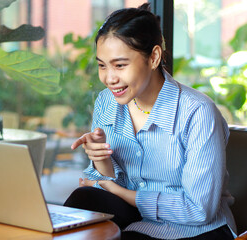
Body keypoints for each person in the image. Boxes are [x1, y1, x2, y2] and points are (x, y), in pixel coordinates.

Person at [64, 3, 237, 240]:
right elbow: (101, 185)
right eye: (102, 65)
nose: (109, 78)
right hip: (138, 216)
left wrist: (121, 193)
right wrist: (101, 159)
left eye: (120, 65)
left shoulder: (198, 112)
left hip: (198, 229)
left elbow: (199, 211)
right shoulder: (106, 102)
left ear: (154, 57)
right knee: (82, 200)